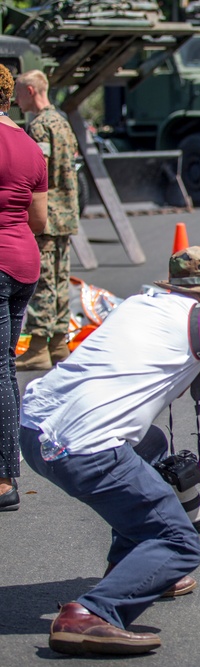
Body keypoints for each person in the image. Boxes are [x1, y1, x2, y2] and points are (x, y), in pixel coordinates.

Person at [20, 246, 200, 654]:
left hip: (35, 432)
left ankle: (131, 568)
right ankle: (91, 615)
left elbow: (191, 362)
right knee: (179, 542)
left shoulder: (139, 304)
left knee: (153, 444)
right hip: (88, 451)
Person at [0, 63, 47, 513]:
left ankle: (2, 477)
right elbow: (39, 220)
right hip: (23, 263)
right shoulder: (30, 146)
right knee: (4, 366)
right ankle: (7, 464)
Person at [14, 70, 80, 371]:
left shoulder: (40, 127)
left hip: (48, 214)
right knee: (60, 278)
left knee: (43, 281)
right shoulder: (62, 122)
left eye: (18, 92)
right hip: (65, 211)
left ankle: (39, 344)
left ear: (30, 90)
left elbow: (36, 172)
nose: (16, 99)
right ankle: (58, 343)